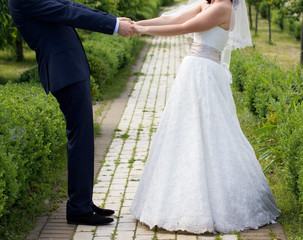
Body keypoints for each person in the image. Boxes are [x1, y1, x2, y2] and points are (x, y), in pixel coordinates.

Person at [130, 0, 281, 234]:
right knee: (185, 130)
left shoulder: (224, 8)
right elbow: (171, 19)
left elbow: (184, 27)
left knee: (211, 131)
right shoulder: (208, 4)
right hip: (192, 71)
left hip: (205, 73)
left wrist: (143, 30)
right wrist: (135, 23)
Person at [9, 0, 136, 226]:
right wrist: (114, 25)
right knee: (81, 139)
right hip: (64, 71)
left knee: (83, 138)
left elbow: (68, 4)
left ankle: (82, 202)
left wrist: (115, 21)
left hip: (71, 68)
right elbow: (67, 12)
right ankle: (78, 208)